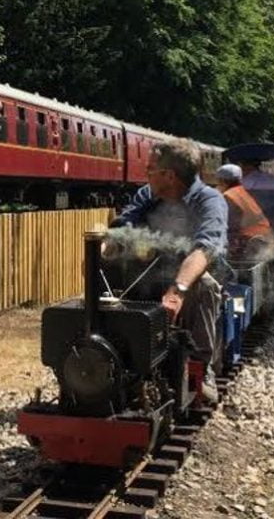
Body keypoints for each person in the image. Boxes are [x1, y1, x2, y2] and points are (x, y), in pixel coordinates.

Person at [112, 137, 227, 401]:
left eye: (150, 168)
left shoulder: (210, 201)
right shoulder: (146, 195)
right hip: (151, 270)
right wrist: (108, 247)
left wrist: (178, 290)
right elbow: (124, 225)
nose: (145, 173)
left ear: (170, 175)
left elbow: (205, 249)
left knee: (207, 286)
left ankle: (202, 365)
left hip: (192, 275)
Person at [214, 164, 274, 264]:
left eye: (218, 181)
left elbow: (225, 224)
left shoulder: (228, 196)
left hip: (250, 241)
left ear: (222, 181)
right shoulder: (242, 191)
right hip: (265, 238)